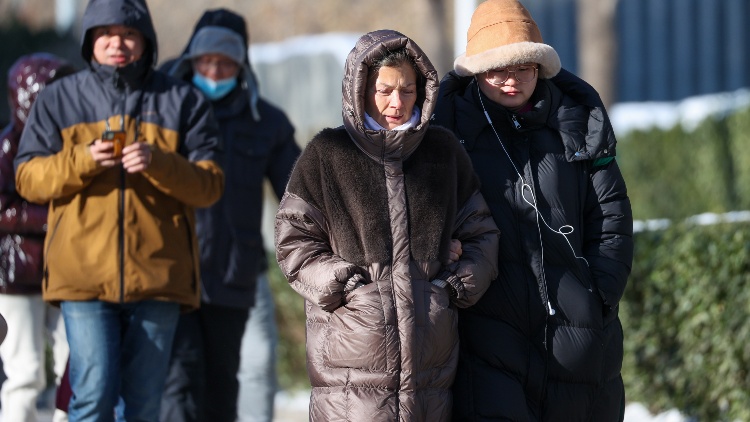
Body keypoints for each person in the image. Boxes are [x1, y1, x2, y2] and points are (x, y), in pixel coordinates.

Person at [13, 0, 225, 420]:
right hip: (82, 277)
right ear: (90, 39)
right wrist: (83, 160)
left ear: (146, 41)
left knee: (144, 406)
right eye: (106, 33)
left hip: (159, 278)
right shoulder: (59, 98)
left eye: (129, 34)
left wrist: (160, 162)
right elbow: (29, 180)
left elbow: (210, 185)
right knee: (92, 395)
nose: (118, 43)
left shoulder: (183, 100)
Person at [274, 29, 500, 421]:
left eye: (408, 90)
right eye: (385, 90)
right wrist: (349, 287)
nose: (397, 102)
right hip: (349, 365)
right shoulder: (327, 154)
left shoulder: (442, 152)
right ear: (360, 88)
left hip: (430, 366)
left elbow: (481, 234)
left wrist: (451, 287)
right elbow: (295, 242)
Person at [432, 0, 634, 420]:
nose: (512, 79)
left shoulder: (577, 121)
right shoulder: (446, 132)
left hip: (579, 333)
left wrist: (600, 295)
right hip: (486, 334)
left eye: (524, 66)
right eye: (498, 69)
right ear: (475, 71)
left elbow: (610, 214)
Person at [159, 8, 300, 422]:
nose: (214, 71)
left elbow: (300, 197)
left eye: (224, 63)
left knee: (230, 385)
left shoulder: (266, 122)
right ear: (191, 61)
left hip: (235, 276)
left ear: (241, 65)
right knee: (178, 385)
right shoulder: (165, 110)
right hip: (171, 274)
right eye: (205, 62)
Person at [0, 52, 75, 422]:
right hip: (18, 275)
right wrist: (53, 219)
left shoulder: (74, 145)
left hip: (68, 272)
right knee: (25, 372)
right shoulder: (7, 148)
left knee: (76, 367)